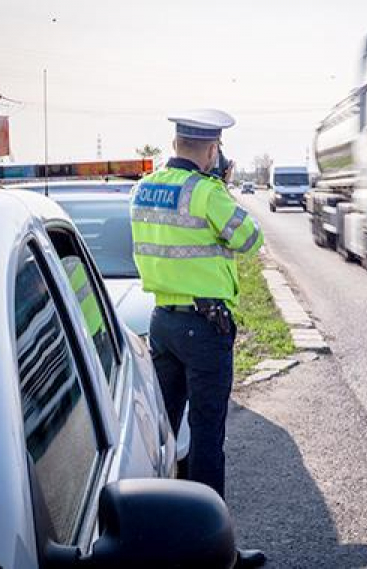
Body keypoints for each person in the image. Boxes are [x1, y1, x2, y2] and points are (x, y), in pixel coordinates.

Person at [130, 109, 266, 568]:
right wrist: (222, 186)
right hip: (203, 328)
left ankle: (158, 536)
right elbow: (250, 239)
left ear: (174, 144)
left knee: (164, 435)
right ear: (212, 149)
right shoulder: (208, 193)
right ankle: (214, 550)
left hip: (162, 323)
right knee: (207, 436)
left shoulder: (144, 187)